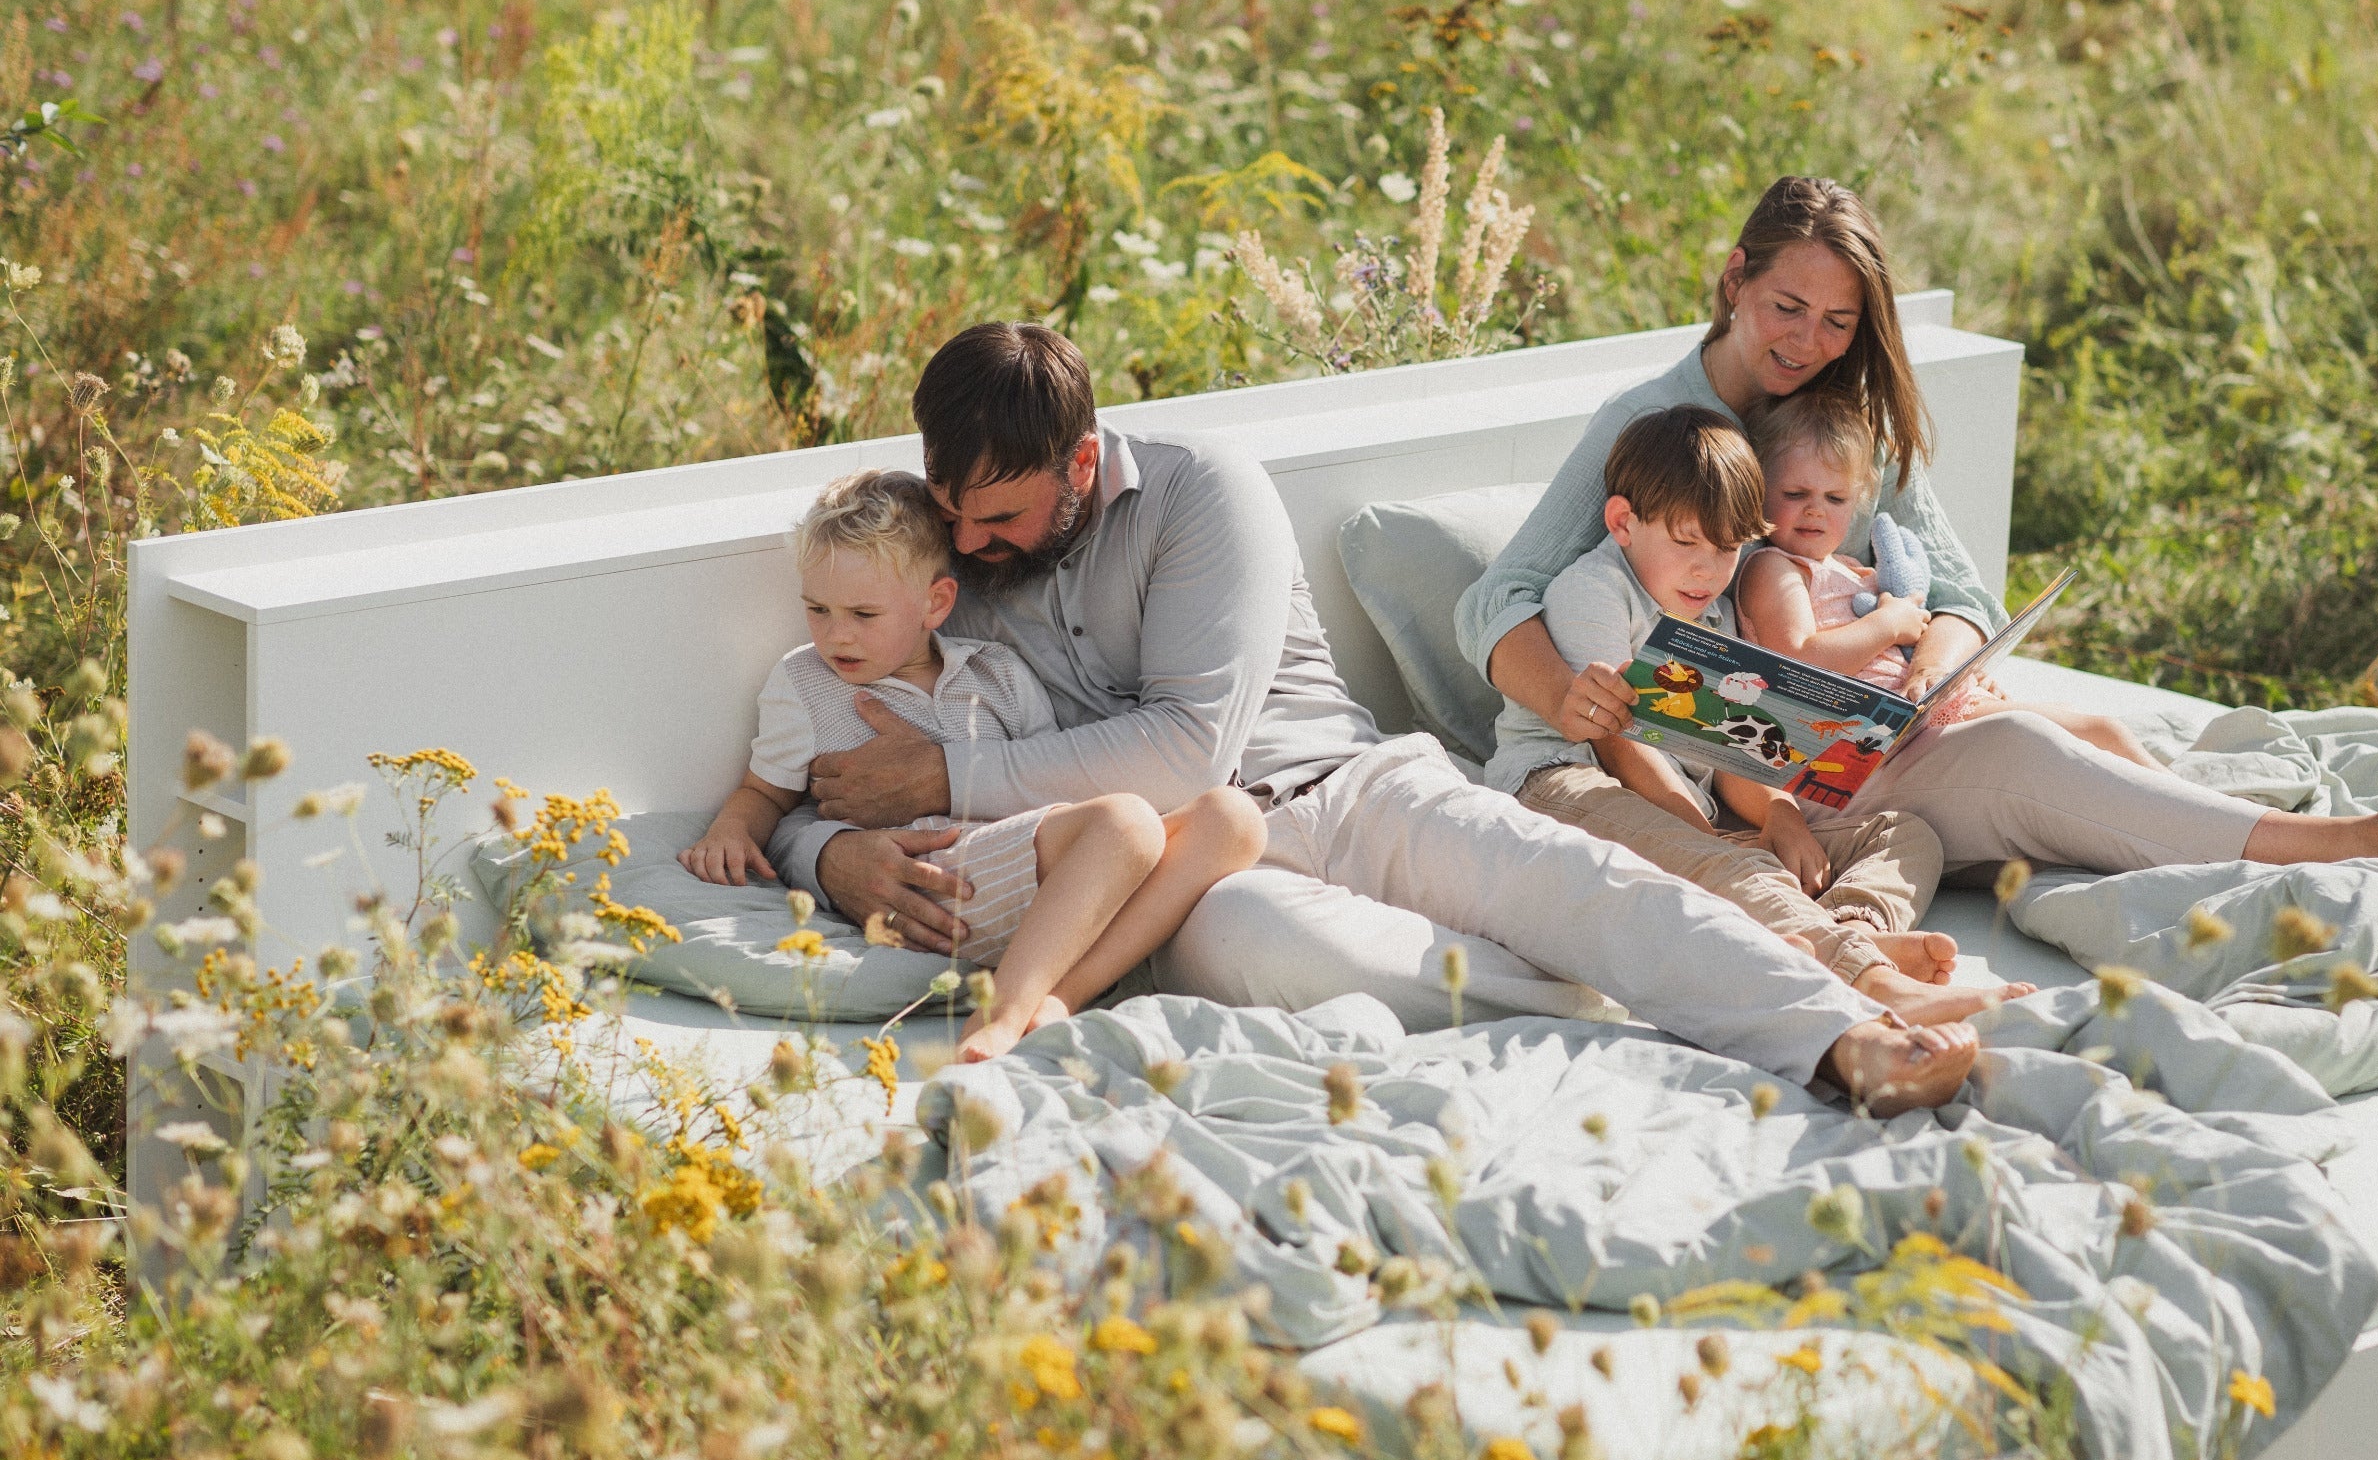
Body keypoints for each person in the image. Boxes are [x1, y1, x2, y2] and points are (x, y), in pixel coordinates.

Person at [762, 323, 1979, 1113]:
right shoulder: (941, 550)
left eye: (1002, 521)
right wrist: (824, 852)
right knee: (1291, 958)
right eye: (954, 517)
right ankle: (1649, 1005)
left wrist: (946, 775)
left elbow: (1187, 745)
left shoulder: (1202, 491)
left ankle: (1840, 1032)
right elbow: (813, 750)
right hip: (1197, 868)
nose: (972, 549)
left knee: (1564, 880)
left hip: (1343, 786)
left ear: (1080, 466)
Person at [1457, 174, 2378, 876]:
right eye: (1787, 308)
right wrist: (1570, 697)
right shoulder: (1650, 426)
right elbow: (1495, 599)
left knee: (2055, 739)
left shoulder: (1840, 432)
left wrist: (1928, 675)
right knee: (2031, 753)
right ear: (1736, 280)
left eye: (1838, 323)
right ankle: (2347, 843)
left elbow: (1961, 594)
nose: (1808, 343)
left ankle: (2329, 848)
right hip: (1738, 771)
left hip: (1864, 741)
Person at [681, 467, 1266, 1059]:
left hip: (1037, 872)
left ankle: (1056, 998)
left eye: (863, 615)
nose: (838, 636)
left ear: (935, 603)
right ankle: (998, 1015)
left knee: (1233, 818)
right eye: (817, 609)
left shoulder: (997, 672)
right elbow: (767, 793)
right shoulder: (804, 682)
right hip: (934, 884)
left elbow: (1049, 785)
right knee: (1125, 823)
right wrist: (732, 829)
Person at [1481, 403, 2007, 1025]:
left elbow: (1730, 748)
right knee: (1735, 865)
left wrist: (1781, 813)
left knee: (1905, 834)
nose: (1708, 570)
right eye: (1686, 542)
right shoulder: (1594, 590)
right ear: (1623, 522)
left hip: (1690, 808)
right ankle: (1873, 981)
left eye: (1728, 548)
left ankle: (1853, 929)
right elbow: (1619, 743)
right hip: (1567, 783)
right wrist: (1705, 838)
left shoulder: (1711, 611)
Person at [1736, 396, 2166, 773]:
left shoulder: (1851, 569)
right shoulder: (1773, 568)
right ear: (1760, 490)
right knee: (2097, 732)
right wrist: (1888, 623)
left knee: (2093, 735)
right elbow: (1796, 661)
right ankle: (2194, 810)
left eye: (1835, 498)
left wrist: (1960, 677)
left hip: (1917, 714)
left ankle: (2184, 804)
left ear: (1859, 502)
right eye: (1795, 494)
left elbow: (1902, 652)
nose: (1816, 510)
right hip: (1883, 734)